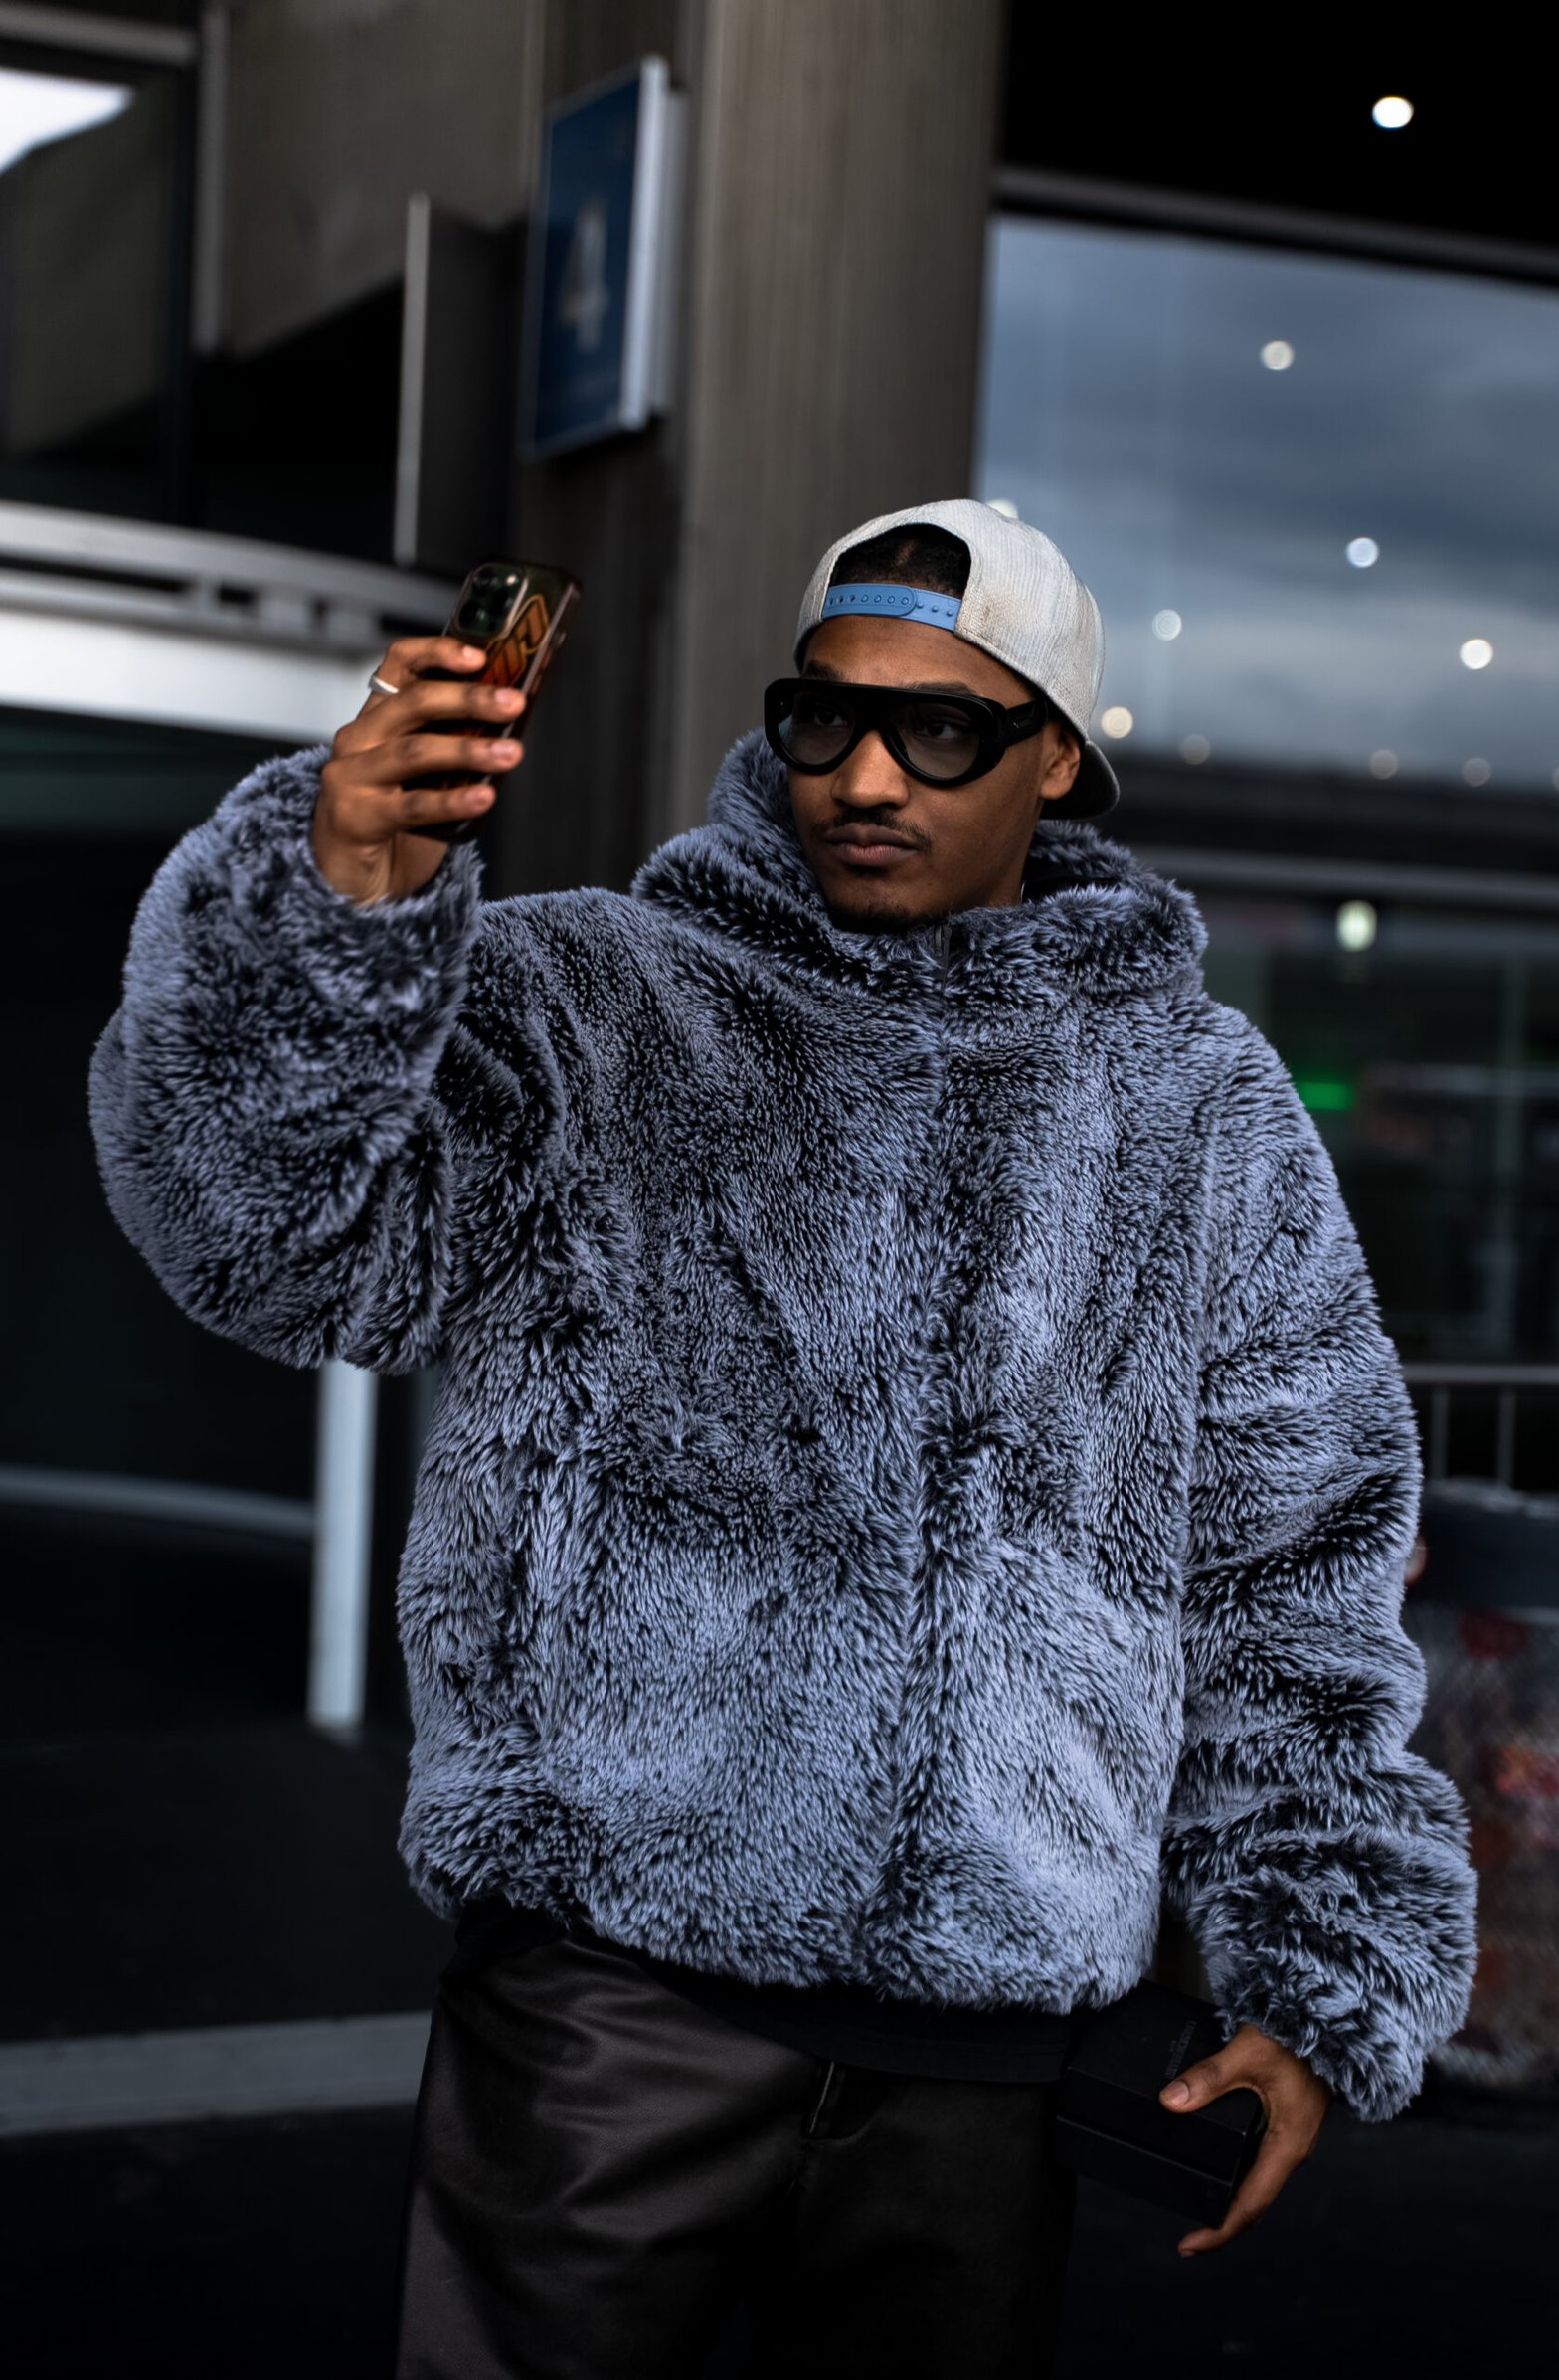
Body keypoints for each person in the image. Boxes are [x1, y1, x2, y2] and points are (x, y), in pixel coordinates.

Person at [88, 498, 1477, 2379]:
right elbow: (266, 1240)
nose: (865, 777)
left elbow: (1291, 1578)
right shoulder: (600, 1002)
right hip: (609, 2006)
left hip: (988, 2061)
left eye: (942, 729)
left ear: (1058, 760)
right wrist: (335, 909)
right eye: (824, 718)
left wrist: (1313, 1978)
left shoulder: (1203, 1109)